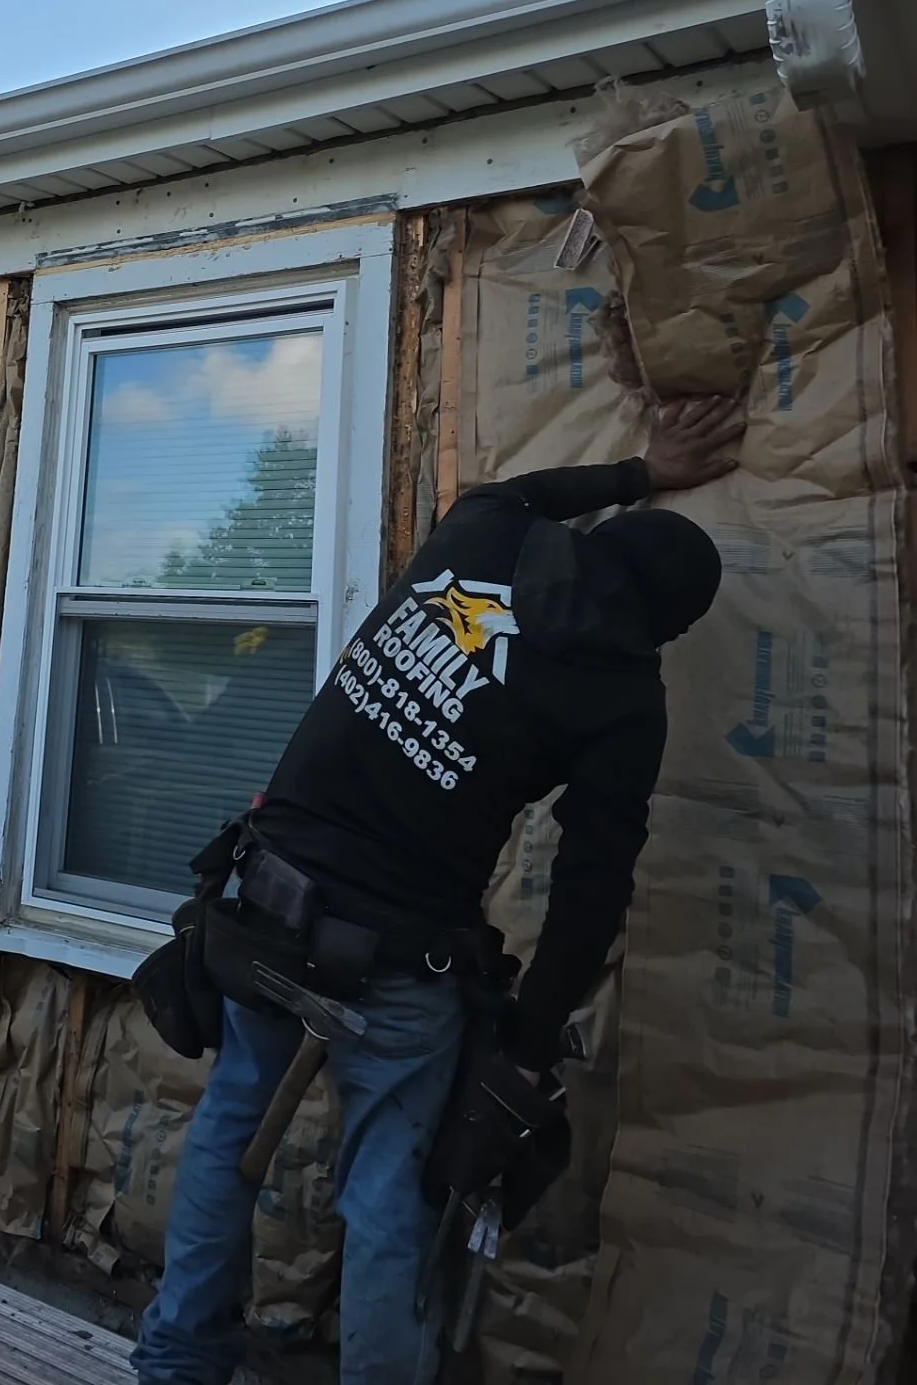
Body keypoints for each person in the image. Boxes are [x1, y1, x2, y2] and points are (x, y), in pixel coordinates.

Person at [132, 398, 743, 1385]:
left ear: (596, 544)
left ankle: (172, 1364)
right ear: (666, 628)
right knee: (388, 1202)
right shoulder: (625, 701)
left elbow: (531, 489)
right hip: (392, 961)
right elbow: (590, 895)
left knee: (228, 1128)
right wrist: (528, 1043)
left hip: (260, 907)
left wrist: (641, 469)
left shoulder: (487, 530)